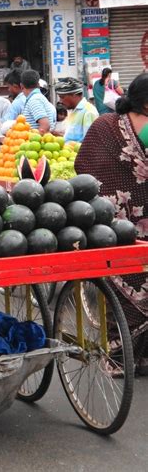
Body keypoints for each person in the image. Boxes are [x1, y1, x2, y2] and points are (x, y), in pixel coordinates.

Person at [75, 73, 148, 376]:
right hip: (116, 224)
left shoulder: (119, 124)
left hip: (127, 220)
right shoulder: (107, 126)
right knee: (128, 287)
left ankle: (136, 355)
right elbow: (86, 168)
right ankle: (119, 355)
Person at [54, 77, 99, 142]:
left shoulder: (89, 112)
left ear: (74, 95)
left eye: (62, 97)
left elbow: (90, 143)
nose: (60, 101)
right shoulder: (72, 111)